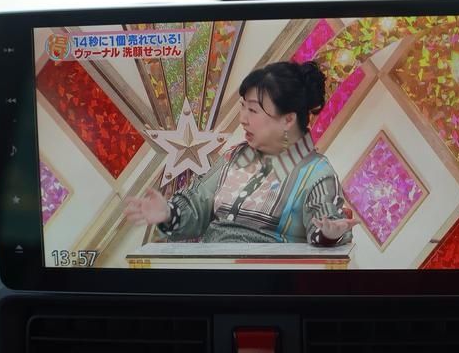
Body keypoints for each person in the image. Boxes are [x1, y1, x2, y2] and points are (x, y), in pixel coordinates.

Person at [124, 61, 356, 246]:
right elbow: (196, 204)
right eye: (242, 107)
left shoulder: (317, 172)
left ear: (288, 119)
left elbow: (325, 223)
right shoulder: (235, 156)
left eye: (253, 110)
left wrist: (330, 233)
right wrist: (168, 213)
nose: (243, 119)